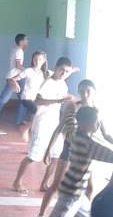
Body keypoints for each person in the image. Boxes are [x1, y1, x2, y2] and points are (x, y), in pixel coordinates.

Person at [30, 106, 113, 217]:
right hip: (71, 192)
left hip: (79, 191)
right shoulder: (88, 144)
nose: (98, 125)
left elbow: (70, 124)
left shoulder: (74, 134)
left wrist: (70, 113)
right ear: (86, 123)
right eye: (96, 122)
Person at [34, 79, 113, 217]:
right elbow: (59, 128)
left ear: (94, 92)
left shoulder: (96, 111)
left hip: (86, 153)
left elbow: (106, 134)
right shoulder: (73, 107)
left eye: (88, 91)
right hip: (69, 149)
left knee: (89, 187)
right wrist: (48, 149)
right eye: (81, 91)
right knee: (56, 183)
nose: (84, 94)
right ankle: (41, 215)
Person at [12, 57, 77, 194]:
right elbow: (38, 100)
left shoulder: (63, 84)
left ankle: (44, 183)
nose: (63, 73)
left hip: (55, 124)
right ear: (56, 67)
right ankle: (17, 181)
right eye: (62, 70)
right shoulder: (47, 82)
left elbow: (64, 98)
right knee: (33, 156)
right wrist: (59, 100)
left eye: (67, 72)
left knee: (56, 156)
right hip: (42, 123)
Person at [0, 33, 28, 126]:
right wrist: (27, 71)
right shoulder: (19, 51)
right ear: (21, 41)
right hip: (15, 77)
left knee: (22, 98)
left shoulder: (16, 49)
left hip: (14, 77)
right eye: (26, 40)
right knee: (8, 99)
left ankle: (19, 120)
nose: (27, 41)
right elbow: (18, 65)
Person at [16, 51, 48, 142]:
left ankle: (32, 134)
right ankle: (24, 128)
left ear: (44, 61)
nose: (37, 61)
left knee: (36, 117)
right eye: (35, 59)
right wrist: (15, 83)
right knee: (38, 112)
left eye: (40, 59)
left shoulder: (45, 73)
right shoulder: (28, 71)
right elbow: (15, 78)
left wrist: (71, 71)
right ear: (32, 60)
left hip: (36, 99)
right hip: (26, 98)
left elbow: (57, 75)